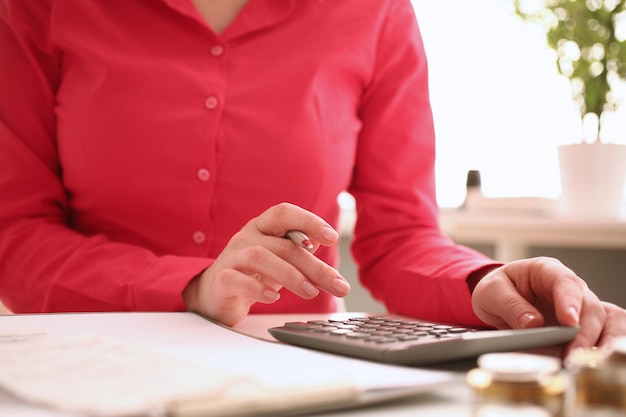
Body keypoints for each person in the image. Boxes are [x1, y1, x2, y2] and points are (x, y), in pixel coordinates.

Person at [0, 0, 624, 355]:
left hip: (298, 375)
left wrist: (482, 283)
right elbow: (16, 234)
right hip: (84, 366)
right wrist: (191, 285)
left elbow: (400, 235)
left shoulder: (376, 11)